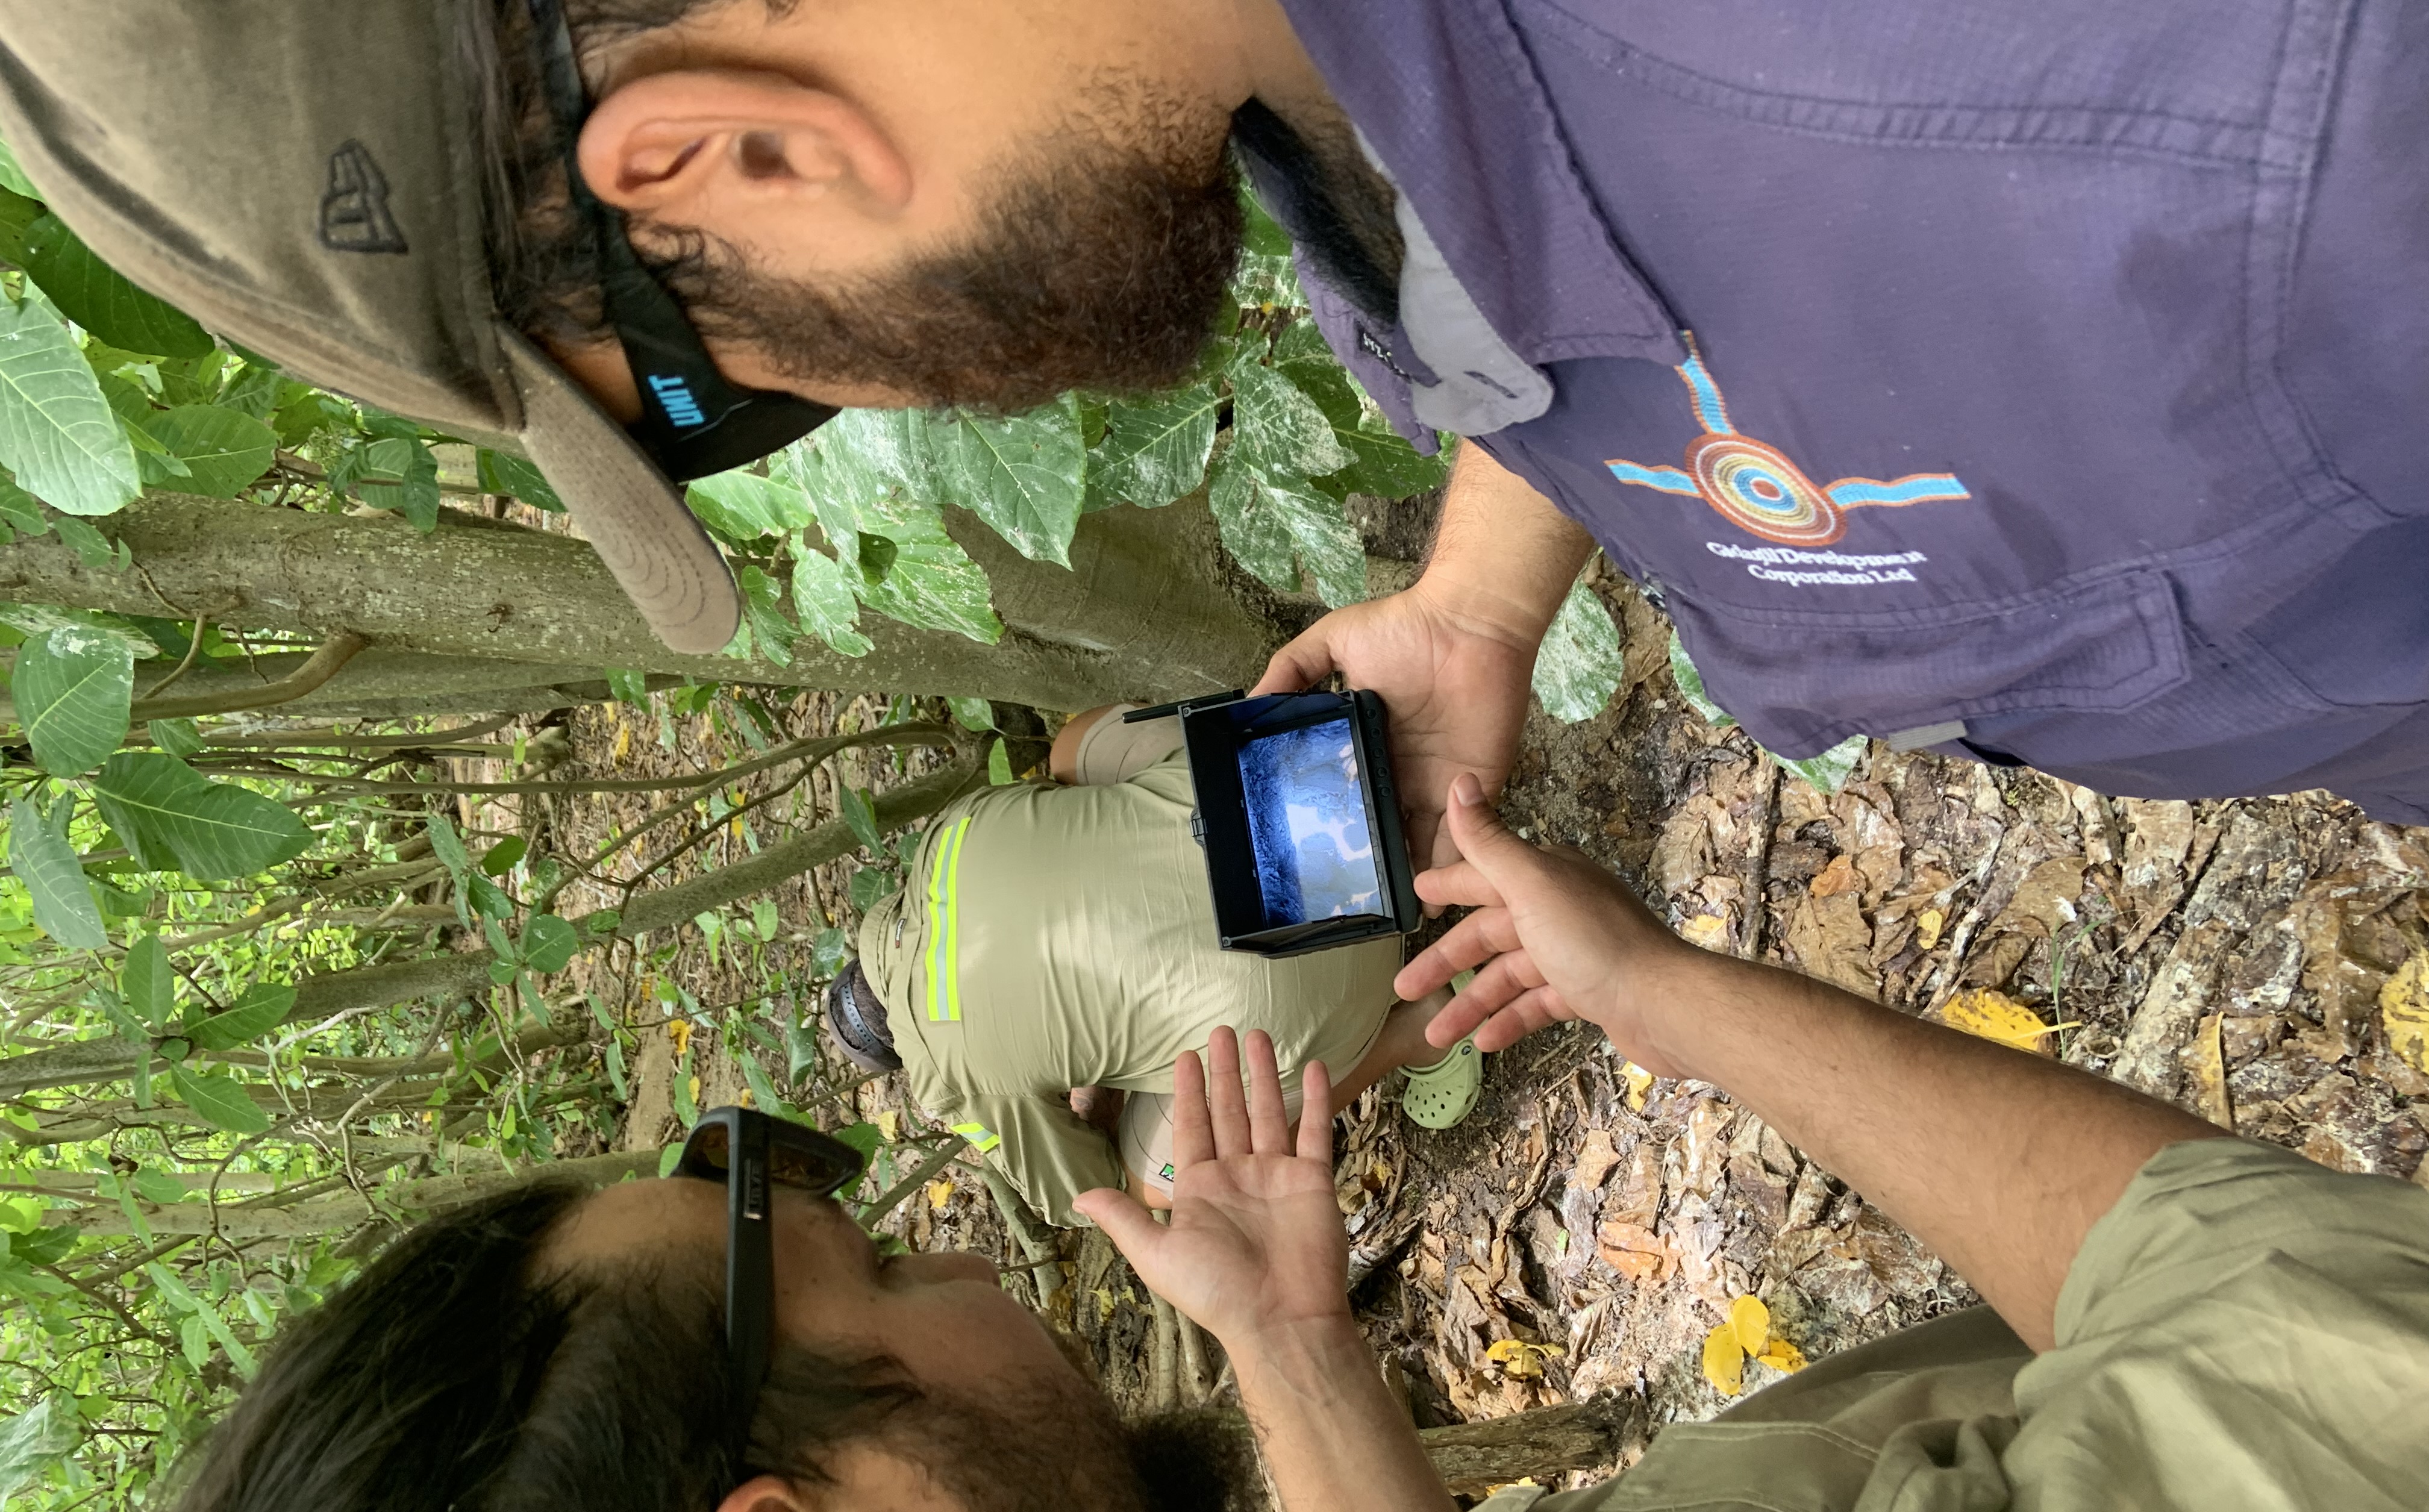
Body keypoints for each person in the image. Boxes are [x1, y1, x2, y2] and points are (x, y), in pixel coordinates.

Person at [146, 779, 2429, 1512]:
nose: (970, 1256)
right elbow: (2307, 1310)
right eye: (880, 1273)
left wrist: (1289, 1340)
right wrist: (1671, 998)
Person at [6, 3, 2424, 805]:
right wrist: (1476, 604)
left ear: (723, 158)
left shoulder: (2222, 139)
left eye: (709, 400)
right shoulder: (1280, 84)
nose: (803, 405)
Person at [826, 702, 1477, 1226]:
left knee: (1147, 1184)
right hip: (1318, 789)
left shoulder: (948, 1077)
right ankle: (1407, 824)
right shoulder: (949, 834)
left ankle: (1415, 1028)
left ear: (899, 1049)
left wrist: (1094, 1090)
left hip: (1335, 981)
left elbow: (1088, 1196)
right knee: (1075, 750)